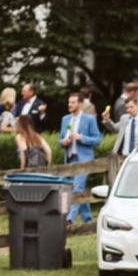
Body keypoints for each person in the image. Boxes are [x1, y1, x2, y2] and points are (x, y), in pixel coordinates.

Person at [59, 92, 102, 225]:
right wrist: (63, 142)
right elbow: (60, 139)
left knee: (77, 188)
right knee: (79, 188)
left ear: (80, 104)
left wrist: (81, 137)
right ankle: (88, 219)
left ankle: (69, 219)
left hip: (84, 160)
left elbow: (97, 140)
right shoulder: (65, 119)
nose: (69, 105)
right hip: (70, 159)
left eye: (72, 102)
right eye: (69, 102)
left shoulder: (89, 119)